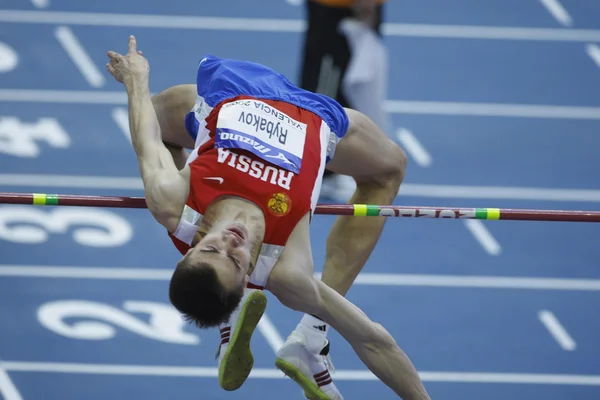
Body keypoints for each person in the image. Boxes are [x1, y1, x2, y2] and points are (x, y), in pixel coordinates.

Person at [106, 36, 430, 400]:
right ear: (248, 278)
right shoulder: (286, 268)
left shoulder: (173, 202)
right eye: (236, 260)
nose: (230, 242)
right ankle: (310, 333)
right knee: (389, 169)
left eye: (212, 250)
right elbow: (373, 340)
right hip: (314, 114)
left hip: (235, 89)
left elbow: (147, 139)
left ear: (191, 248)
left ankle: (287, 331)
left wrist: (136, 78)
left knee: (153, 113)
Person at [299, 0, 390, 199]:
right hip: (339, 8)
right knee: (326, 88)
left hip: (345, 7)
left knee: (344, 87)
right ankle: (320, 173)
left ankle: (327, 168)